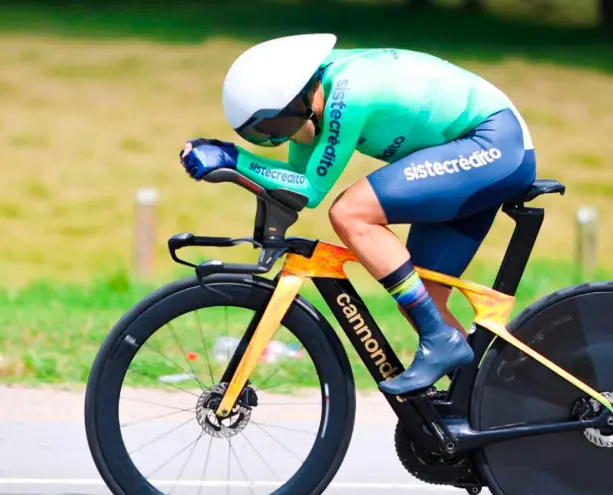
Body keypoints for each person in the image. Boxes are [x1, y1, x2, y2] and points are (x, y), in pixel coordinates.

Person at [180, 33, 537, 396]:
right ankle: (506, 405)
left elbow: (310, 190)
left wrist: (235, 158)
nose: (279, 138)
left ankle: (441, 341)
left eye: (276, 128)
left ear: (296, 97)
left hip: (494, 145)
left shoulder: (348, 95)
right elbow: (293, 187)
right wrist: (237, 167)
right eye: (266, 134)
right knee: (424, 303)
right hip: (473, 152)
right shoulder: (314, 89)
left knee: (351, 213)